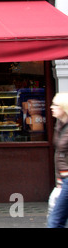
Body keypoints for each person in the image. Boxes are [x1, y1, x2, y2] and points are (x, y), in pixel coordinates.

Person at [48, 93, 68, 228]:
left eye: (55, 105)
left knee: (55, 221)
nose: (51, 107)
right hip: (63, 179)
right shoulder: (60, 124)